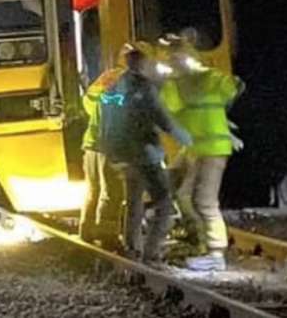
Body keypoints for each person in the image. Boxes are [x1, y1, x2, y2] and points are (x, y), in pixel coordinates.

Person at [98, 41, 191, 263]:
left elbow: (106, 119)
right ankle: (152, 253)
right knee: (164, 203)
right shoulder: (145, 89)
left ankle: (132, 250)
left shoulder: (114, 87)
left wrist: (109, 150)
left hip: (122, 155)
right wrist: (188, 139)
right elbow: (163, 120)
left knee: (134, 203)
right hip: (145, 154)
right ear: (143, 63)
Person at [161, 35, 244, 271]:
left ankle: (216, 253)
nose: (174, 60)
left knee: (204, 201)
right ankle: (199, 242)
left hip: (212, 149)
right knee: (184, 196)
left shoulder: (205, 77)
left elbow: (232, 87)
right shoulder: (178, 84)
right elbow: (171, 110)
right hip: (198, 149)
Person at [78, 45, 130, 250]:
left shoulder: (106, 77)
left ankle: (87, 230)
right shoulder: (128, 81)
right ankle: (107, 236)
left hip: (92, 142)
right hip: (111, 145)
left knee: (93, 189)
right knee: (113, 191)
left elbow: (88, 103)